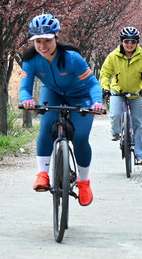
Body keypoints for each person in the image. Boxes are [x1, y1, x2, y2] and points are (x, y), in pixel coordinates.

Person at [19, 14, 105, 206]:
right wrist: (27, 100)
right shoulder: (31, 60)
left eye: (47, 41)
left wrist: (97, 102)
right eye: (38, 41)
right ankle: (42, 174)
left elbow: (93, 84)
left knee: (81, 137)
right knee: (46, 127)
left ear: (56, 38)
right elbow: (25, 88)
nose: (43, 46)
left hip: (81, 96)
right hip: (53, 93)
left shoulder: (72, 58)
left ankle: (83, 182)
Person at [99, 26, 142, 165]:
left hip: (136, 93)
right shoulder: (113, 56)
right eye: (126, 41)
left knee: (139, 124)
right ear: (121, 42)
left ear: (137, 42)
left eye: (133, 41)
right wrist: (105, 88)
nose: (129, 44)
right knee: (115, 115)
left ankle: (141, 155)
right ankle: (115, 131)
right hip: (118, 91)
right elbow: (105, 74)